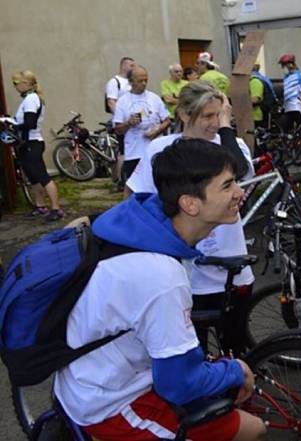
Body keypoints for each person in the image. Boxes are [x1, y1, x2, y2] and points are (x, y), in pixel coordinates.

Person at [53, 140, 267, 441]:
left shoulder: (144, 220)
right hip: (109, 402)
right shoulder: (161, 276)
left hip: (102, 371)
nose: (239, 192)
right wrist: (237, 369)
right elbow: (177, 384)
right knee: (253, 429)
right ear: (190, 203)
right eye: (227, 185)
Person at [127, 80, 254, 356]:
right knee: (189, 352)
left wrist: (224, 126)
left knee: (236, 351)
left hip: (232, 271)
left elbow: (240, 171)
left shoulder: (232, 145)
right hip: (184, 275)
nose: (214, 123)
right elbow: (134, 200)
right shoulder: (161, 149)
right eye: (208, 116)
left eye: (219, 115)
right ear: (184, 114)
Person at [11, 70, 63, 221]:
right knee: (33, 177)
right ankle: (40, 206)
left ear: (26, 84)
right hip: (27, 143)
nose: (14, 86)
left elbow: (30, 123)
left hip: (32, 143)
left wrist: (13, 124)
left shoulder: (31, 99)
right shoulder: (28, 99)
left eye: (16, 83)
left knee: (42, 176)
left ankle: (56, 209)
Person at [113, 65, 170, 187]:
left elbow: (167, 120)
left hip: (155, 151)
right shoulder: (123, 101)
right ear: (131, 82)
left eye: (146, 80)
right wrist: (128, 123)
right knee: (135, 188)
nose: (144, 83)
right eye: (140, 81)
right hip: (134, 152)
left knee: (158, 185)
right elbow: (117, 130)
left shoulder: (154, 98)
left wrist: (157, 131)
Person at [106, 56, 135, 189]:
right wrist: (121, 119)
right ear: (123, 66)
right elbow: (111, 101)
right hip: (123, 123)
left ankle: (120, 178)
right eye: (131, 65)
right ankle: (120, 181)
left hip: (133, 123)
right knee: (124, 151)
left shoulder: (131, 82)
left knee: (127, 151)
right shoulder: (114, 82)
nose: (133, 68)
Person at [278, 53, 301, 134]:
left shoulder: (299, 76)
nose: (283, 67)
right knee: (286, 129)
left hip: (297, 106)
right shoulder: (286, 77)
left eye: (284, 65)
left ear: (291, 64)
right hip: (287, 107)